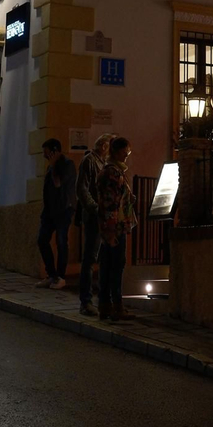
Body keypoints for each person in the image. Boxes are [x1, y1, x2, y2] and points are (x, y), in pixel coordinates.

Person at [95, 136, 136, 321]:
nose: (128, 154)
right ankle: (115, 306)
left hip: (109, 226)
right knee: (115, 266)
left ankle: (105, 305)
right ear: (119, 151)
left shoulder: (110, 170)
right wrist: (111, 231)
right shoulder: (113, 173)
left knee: (107, 265)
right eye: (126, 151)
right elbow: (111, 203)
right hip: (115, 227)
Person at [74, 133, 112, 316]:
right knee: (89, 258)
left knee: (100, 258)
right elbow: (81, 188)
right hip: (94, 217)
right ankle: (86, 301)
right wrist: (94, 208)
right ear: (104, 146)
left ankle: (102, 298)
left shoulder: (103, 164)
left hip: (103, 216)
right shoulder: (90, 161)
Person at [36, 138, 78, 290]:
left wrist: (53, 165)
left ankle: (60, 277)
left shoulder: (68, 165)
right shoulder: (50, 167)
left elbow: (58, 183)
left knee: (61, 242)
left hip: (63, 210)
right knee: (42, 240)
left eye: (46, 153)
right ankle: (51, 275)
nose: (44, 156)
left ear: (55, 151)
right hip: (49, 211)